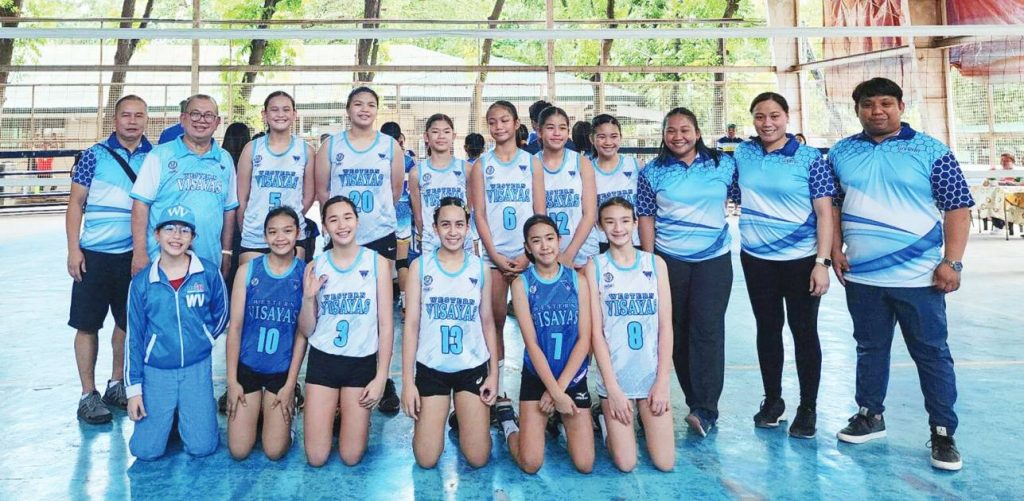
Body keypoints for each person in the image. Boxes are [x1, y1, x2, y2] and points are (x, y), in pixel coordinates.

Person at [829, 77, 973, 471]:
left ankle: (943, 432)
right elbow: (834, 207)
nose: (877, 111)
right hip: (863, 278)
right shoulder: (841, 152)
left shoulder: (931, 151)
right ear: (857, 109)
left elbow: (957, 209)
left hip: (920, 279)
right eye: (868, 104)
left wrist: (953, 261)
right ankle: (869, 415)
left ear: (901, 106)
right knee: (869, 348)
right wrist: (834, 249)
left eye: (886, 103)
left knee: (931, 354)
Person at [733, 92, 836, 438]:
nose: (767, 123)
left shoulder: (809, 159)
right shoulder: (744, 153)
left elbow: (825, 213)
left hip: (800, 261)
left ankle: (808, 408)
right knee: (767, 328)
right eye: (760, 116)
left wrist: (822, 262)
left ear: (787, 117)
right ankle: (773, 400)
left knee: (804, 331)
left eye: (774, 116)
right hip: (756, 259)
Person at [637, 107, 737, 437]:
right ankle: (694, 400)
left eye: (685, 129)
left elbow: (746, 197)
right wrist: (649, 263)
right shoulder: (652, 172)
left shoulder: (724, 164)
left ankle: (706, 408)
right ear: (663, 135)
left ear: (696, 132)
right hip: (670, 262)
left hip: (713, 261)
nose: (678, 136)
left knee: (708, 330)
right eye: (671, 131)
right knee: (675, 331)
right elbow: (647, 218)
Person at [314, 87, 404, 412]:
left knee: (380, 310)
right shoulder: (332, 146)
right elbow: (323, 191)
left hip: (378, 236)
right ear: (347, 109)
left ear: (377, 111)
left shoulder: (389, 146)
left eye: (370, 105)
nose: (364, 109)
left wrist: (370, 220)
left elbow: (394, 191)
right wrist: (341, 225)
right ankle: (337, 378)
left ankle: (382, 376)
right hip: (341, 239)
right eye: (358, 104)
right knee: (339, 307)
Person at [66, 94, 152, 424]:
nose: (132, 121)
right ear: (114, 120)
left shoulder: (154, 158)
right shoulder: (93, 156)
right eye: (126, 115)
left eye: (139, 116)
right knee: (87, 324)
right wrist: (74, 249)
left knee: (127, 323)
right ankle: (88, 395)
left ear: (147, 120)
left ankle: (117, 383)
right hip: (95, 255)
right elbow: (75, 204)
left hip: (134, 256)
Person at [401, 197, 499, 468]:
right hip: (432, 368)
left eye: (459, 224)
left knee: (478, 459)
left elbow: (488, 322)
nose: (453, 231)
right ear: (434, 228)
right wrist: (408, 382)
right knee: (426, 460)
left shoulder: (480, 268)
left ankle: (478, 418)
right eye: (445, 224)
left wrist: (494, 373)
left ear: (468, 228)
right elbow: (410, 327)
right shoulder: (420, 267)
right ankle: (445, 417)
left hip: (471, 367)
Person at [125, 204, 229, 460]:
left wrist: (203, 337)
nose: (176, 236)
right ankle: (168, 419)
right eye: (169, 228)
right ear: (156, 234)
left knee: (202, 447)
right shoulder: (142, 283)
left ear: (193, 238)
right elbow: (134, 339)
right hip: (156, 371)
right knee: (145, 451)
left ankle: (189, 416)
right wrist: (133, 391)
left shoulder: (207, 273)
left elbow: (222, 312)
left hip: (196, 366)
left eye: (184, 230)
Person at [297, 196, 395, 466]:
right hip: (323, 361)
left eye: (347, 217)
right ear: (325, 227)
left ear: (357, 221)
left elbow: (387, 325)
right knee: (316, 458)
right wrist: (308, 298)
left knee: (351, 457)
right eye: (333, 219)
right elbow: (307, 329)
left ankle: (350, 418)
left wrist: (381, 378)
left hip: (360, 363)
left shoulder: (377, 264)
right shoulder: (316, 266)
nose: (342, 225)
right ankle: (335, 413)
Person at [586, 197, 675, 472]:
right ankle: (604, 419)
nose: (618, 228)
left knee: (665, 462)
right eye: (610, 222)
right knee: (626, 463)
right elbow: (596, 333)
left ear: (635, 224)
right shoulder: (596, 267)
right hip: (616, 378)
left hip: (650, 378)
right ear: (601, 227)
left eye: (625, 221)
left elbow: (665, 327)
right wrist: (612, 389)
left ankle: (637, 419)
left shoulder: (655, 264)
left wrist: (662, 383)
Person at [502, 215, 594, 474]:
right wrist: (554, 392)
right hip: (537, 375)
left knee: (585, 464)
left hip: (572, 378)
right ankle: (508, 423)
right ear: (528, 248)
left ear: (559, 240)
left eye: (550, 238)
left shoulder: (578, 280)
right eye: (536, 241)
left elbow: (584, 339)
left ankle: (561, 421)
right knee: (531, 464)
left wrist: (559, 391)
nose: (545, 246)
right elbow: (531, 343)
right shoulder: (522, 284)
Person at [469, 100, 545, 386]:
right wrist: (495, 256)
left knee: (537, 324)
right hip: (495, 256)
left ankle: (540, 385)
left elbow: (540, 212)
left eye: (504, 120)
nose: (498, 126)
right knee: (495, 320)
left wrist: (529, 254)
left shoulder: (531, 163)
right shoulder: (482, 165)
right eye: (492, 122)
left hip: (528, 255)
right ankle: (495, 386)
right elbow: (480, 215)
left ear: (516, 124)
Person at [226, 207, 307, 460]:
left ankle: (282, 424)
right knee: (239, 451)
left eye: (287, 231)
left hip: (280, 373)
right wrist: (232, 381)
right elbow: (235, 328)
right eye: (273, 232)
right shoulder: (248, 271)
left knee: (274, 452)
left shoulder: (305, 274)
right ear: (264, 236)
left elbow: (302, 335)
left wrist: (290, 384)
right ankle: (258, 414)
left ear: (297, 234)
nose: (280, 237)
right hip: (248, 367)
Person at [130, 94, 238, 278]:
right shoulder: (159, 156)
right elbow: (140, 205)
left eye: (208, 115)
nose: (201, 121)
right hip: (163, 263)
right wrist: (139, 253)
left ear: (218, 121)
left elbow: (229, 210)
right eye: (195, 114)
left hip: (209, 264)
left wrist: (226, 253)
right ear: (183, 119)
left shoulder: (225, 159)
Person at [236, 92, 314, 264]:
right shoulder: (252, 149)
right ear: (264, 114)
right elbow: (242, 197)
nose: (280, 114)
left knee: (291, 288)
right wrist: (247, 227)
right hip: (255, 233)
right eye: (274, 109)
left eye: (286, 109)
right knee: (253, 288)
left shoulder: (305, 150)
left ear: (294, 114)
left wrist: (291, 218)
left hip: (290, 234)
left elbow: (309, 196)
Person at [536, 106, 596, 268]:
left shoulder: (582, 163)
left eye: (562, 128)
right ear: (539, 131)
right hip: (545, 253)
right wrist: (550, 254)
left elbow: (590, 214)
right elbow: (536, 215)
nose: (557, 133)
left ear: (568, 132)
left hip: (582, 251)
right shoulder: (531, 164)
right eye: (550, 128)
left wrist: (569, 254)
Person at [409, 114, 473, 261]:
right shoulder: (417, 172)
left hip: (460, 237)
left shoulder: (466, 169)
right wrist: (427, 234)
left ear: (454, 136)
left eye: (446, 131)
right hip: (431, 240)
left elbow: (470, 207)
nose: (441, 136)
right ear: (426, 136)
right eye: (435, 131)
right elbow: (418, 215)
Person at [584, 114, 641, 255]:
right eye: (602, 137)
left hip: (634, 241)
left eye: (614, 136)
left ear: (621, 137)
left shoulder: (636, 165)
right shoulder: (586, 170)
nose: (608, 142)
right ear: (592, 139)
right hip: (603, 243)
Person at [380, 121, 417, 314]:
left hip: (382, 216)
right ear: (400, 138)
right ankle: (404, 305)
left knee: (382, 265)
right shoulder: (409, 160)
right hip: (402, 216)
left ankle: (381, 306)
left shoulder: (377, 157)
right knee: (402, 262)